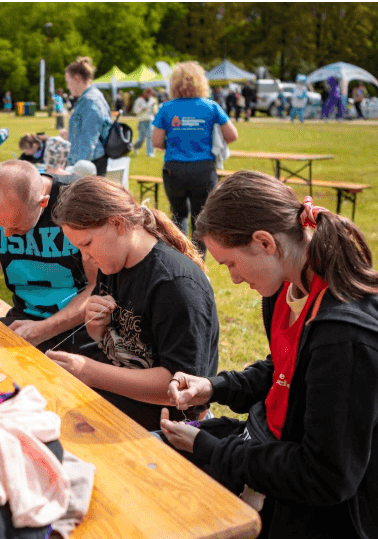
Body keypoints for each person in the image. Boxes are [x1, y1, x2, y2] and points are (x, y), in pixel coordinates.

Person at [160, 170, 378, 539]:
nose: (234, 279)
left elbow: (326, 477)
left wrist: (212, 448)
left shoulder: (345, 337)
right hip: (277, 456)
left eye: (230, 264)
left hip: (339, 517)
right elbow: (287, 370)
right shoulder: (287, 288)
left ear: (264, 242)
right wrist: (214, 387)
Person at [46, 177, 219, 431]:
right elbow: (122, 346)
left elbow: (180, 388)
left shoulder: (175, 285)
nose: (86, 257)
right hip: (121, 401)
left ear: (117, 223)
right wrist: (97, 329)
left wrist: (90, 372)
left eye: (86, 244)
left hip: (167, 424)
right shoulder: (113, 262)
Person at [0, 160, 97, 354]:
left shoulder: (78, 200)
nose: (7, 234)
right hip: (22, 321)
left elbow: (99, 287)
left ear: (43, 203)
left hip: (81, 325)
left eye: (16, 226)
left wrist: (45, 329)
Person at [151, 61, 238, 257]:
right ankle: (199, 261)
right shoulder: (211, 106)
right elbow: (232, 135)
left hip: (175, 168)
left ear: (174, 84)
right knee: (201, 217)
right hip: (203, 169)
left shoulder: (167, 108)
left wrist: (174, 143)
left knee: (178, 215)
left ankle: (180, 259)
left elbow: (156, 141)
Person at [64, 56, 112, 175]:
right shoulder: (88, 98)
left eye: (68, 82)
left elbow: (88, 140)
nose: (67, 87)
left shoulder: (90, 101)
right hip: (88, 163)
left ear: (77, 79)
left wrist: (74, 170)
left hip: (89, 166)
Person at [132, 88, 157, 157]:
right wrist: (142, 109)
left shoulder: (152, 101)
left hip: (150, 120)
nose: (150, 96)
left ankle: (150, 153)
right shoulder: (139, 100)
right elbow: (135, 111)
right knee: (141, 138)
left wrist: (154, 109)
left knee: (150, 136)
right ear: (145, 93)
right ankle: (135, 147)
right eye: (149, 94)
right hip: (142, 120)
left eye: (151, 94)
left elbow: (155, 111)